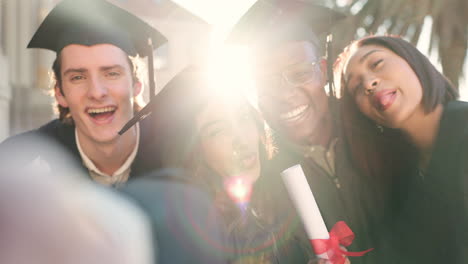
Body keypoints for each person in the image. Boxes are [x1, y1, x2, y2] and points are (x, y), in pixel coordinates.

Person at [228, 1, 375, 262]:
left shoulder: (377, 128)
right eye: (267, 81)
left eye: (300, 74)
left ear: (322, 69)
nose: (285, 94)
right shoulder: (263, 177)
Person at [121, 66, 314, 263]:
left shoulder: (280, 200)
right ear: (193, 151)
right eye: (218, 130)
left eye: (243, 117)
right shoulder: (195, 237)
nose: (241, 138)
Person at [0, 0, 167, 186]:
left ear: (137, 85)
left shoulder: (179, 154)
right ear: (60, 93)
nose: (96, 92)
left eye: (112, 74)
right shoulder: (17, 164)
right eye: (78, 77)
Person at [335, 35, 464, 263]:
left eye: (376, 63)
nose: (368, 83)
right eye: (356, 87)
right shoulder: (407, 180)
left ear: (412, 59)